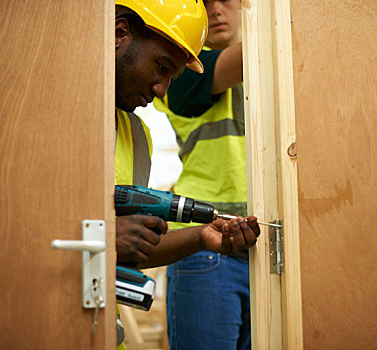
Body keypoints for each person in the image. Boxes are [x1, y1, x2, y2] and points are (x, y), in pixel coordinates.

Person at [113, 1, 260, 349]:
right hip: (209, 264)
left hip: (248, 246)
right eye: (161, 68)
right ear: (119, 34)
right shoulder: (198, 73)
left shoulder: (136, 135)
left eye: (226, 0)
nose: (162, 88)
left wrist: (200, 234)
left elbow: (130, 245)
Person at [153, 0, 249, 348]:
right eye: (205, 2)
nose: (215, 10)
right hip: (207, 243)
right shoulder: (182, 71)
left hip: (267, 242)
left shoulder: (278, 77)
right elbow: (247, 56)